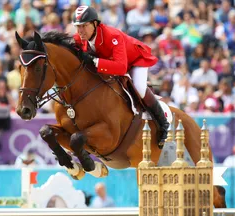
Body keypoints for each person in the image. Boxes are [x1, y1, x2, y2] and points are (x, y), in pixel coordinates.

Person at [72, 6, 169, 144]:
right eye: (77, 26)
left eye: (84, 26)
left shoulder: (112, 35)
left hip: (135, 60)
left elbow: (121, 67)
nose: (80, 31)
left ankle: (163, 123)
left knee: (140, 87)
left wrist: (95, 61)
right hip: (113, 63)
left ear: (94, 24)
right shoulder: (80, 37)